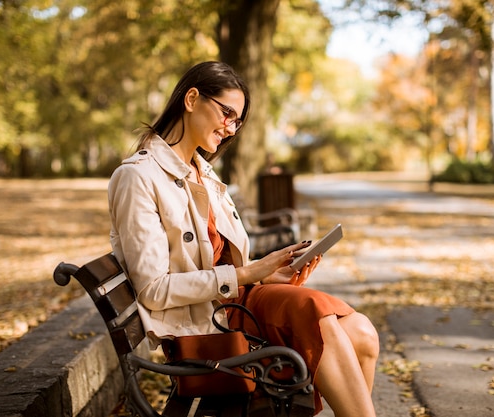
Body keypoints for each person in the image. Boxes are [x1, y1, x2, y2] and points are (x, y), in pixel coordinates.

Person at [108, 61, 378, 417]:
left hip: (235, 307)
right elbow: (154, 290)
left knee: (363, 332)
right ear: (191, 99)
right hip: (204, 326)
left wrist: (266, 273)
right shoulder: (138, 178)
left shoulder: (203, 173)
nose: (231, 128)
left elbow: (219, 264)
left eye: (237, 121)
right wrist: (250, 275)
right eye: (227, 114)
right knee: (315, 313)